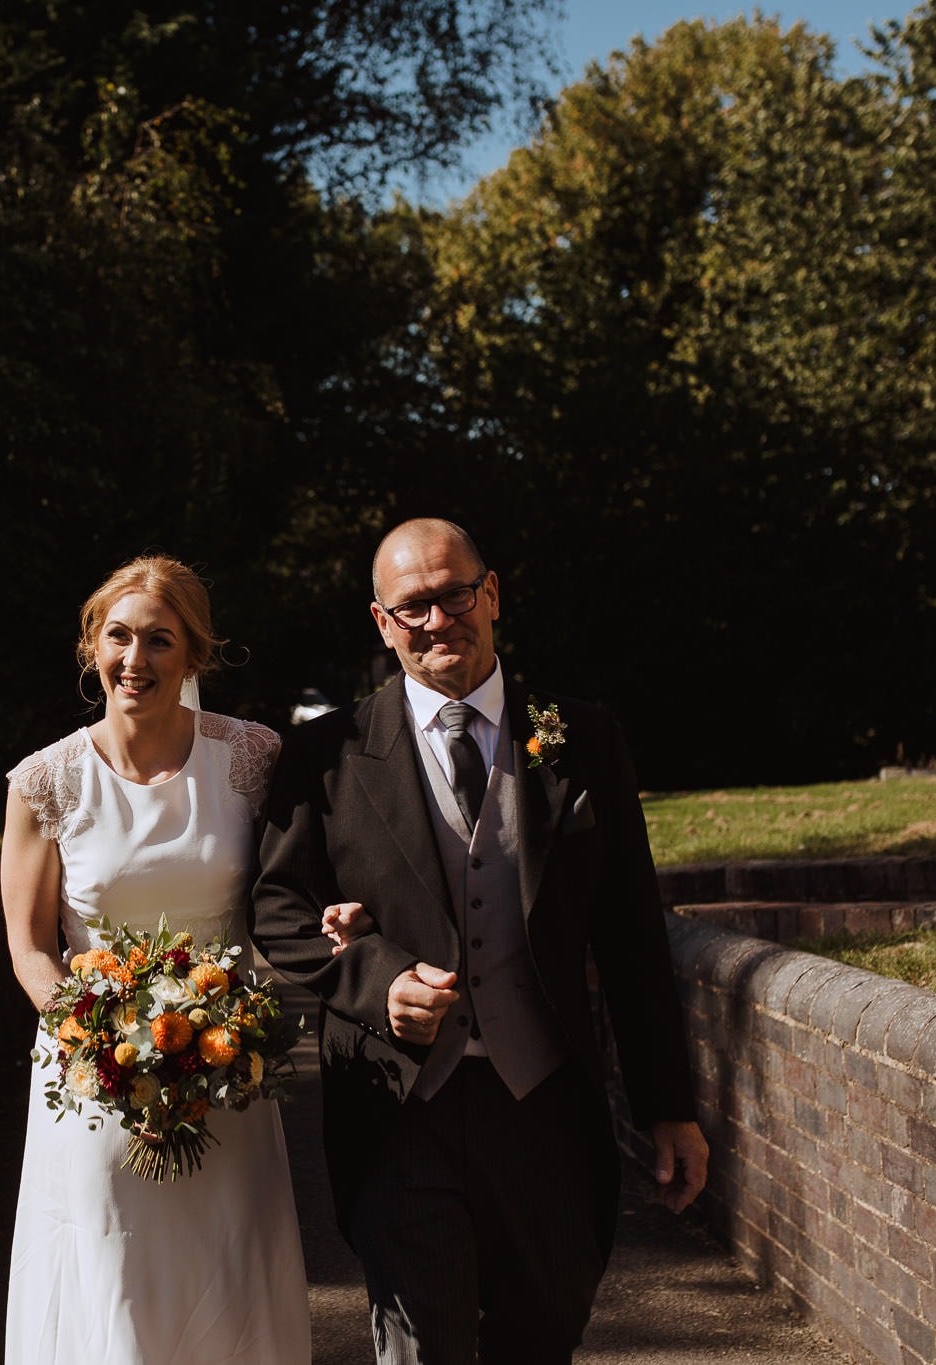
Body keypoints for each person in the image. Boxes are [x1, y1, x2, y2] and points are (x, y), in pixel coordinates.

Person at [251, 517, 708, 1364]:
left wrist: (667, 1106)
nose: (438, 621)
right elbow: (277, 906)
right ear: (383, 623)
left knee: (543, 1334)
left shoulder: (581, 736)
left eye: (454, 594)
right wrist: (374, 978)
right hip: (398, 1113)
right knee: (423, 1347)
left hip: (548, 1111)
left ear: (490, 594)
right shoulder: (327, 753)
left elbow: (633, 936)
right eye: (412, 606)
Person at [2, 555, 311, 1365]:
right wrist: (94, 1035)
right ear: (91, 646)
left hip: (227, 1071)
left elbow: (290, 896)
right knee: (115, 1264)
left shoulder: (252, 760)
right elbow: (32, 945)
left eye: (160, 641)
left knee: (227, 1270)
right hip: (96, 1077)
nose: (135, 660)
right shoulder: (47, 781)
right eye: (119, 637)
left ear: (194, 655)